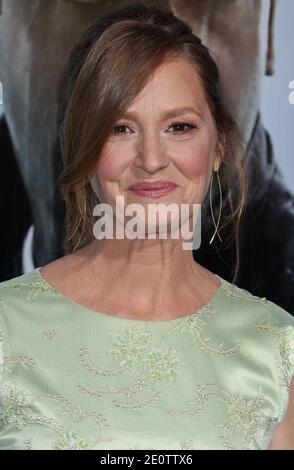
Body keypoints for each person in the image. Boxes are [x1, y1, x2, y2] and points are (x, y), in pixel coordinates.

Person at [0, 2, 293, 450]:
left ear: (218, 145)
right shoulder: (6, 327)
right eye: (119, 127)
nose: (152, 159)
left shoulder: (277, 346)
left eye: (179, 126)